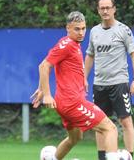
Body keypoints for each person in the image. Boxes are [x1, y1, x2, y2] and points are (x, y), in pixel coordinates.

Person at [31, 11, 119, 160]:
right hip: (72, 103)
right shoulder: (67, 45)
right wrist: (46, 94)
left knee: (75, 138)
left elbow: (49, 64)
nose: (81, 32)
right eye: (77, 29)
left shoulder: (69, 43)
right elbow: (44, 66)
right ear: (68, 28)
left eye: (83, 28)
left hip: (66, 102)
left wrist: (41, 88)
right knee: (110, 129)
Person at [84, 0, 134, 160]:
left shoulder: (123, 30)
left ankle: (129, 156)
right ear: (98, 10)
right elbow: (89, 56)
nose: (105, 11)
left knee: (125, 122)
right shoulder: (94, 31)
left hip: (119, 83)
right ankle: (103, 157)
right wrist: (83, 78)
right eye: (102, 8)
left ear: (114, 9)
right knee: (100, 124)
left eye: (108, 7)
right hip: (99, 84)